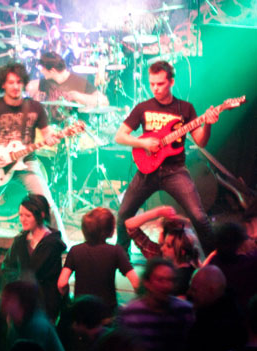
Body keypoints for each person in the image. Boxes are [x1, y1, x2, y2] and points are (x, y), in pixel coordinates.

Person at [115, 60, 219, 255]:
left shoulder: (185, 108)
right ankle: (121, 257)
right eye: (152, 84)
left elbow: (201, 142)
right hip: (147, 169)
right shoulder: (143, 107)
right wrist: (143, 143)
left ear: (171, 82)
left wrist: (208, 123)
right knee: (123, 214)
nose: (155, 88)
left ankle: (215, 261)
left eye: (160, 84)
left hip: (175, 170)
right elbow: (119, 136)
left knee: (199, 217)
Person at [0, 61, 65, 238]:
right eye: (11, 82)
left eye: (19, 82)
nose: (15, 86)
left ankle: (62, 247)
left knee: (47, 205)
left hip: (27, 163)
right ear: (3, 84)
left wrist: (53, 139)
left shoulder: (35, 107)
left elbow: (47, 134)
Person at [58, 207, 139, 309]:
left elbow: (62, 283)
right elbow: (136, 283)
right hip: (106, 310)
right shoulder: (115, 251)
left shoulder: (75, 250)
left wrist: (68, 299)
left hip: (81, 310)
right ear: (109, 230)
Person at [2, 194, 66, 320]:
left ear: (41, 215)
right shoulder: (20, 241)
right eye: (21, 215)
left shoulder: (52, 244)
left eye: (28, 216)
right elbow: (8, 266)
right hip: (22, 303)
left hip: (44, 306)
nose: (23, 219)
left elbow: (35, 272)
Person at [125, 205, 201, 296]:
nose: (159, 234)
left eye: (168, 245)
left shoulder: (157, 254)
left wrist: (158, 212)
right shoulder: (191, 261)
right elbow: (129, 225)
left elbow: (130, 226)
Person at [27, 51, 108, 110]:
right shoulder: (47, 81)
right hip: (52, 127)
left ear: (52, 71)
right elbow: (30, 87)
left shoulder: (79, 81)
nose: (41, 71)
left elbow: (104, 101)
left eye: (43, 69)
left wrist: (81, 97)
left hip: (76, 126)